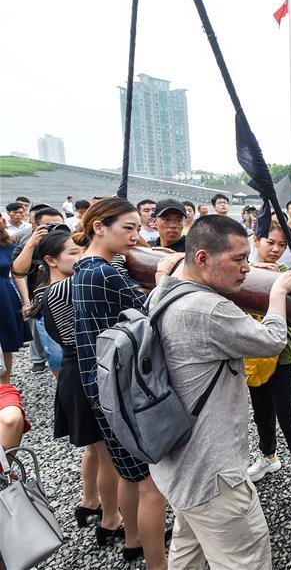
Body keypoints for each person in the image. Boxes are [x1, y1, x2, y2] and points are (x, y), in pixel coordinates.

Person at [148, 214, 291, 569]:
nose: (247, 268)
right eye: (238, 259)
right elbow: (273, 340)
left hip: (177, 466)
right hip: (214, 476)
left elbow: (164, 277)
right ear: (202, 259)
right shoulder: (209, 309)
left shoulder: (164, 290)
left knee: (187, 553)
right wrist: (276, 291)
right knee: (244, 561)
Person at [72, 198, 175, 567]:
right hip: (121, 388)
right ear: (99, 227)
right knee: (152, 486)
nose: (136, 236)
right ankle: (157, 563)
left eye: (137, 228)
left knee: (128, 474)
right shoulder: (106, 274)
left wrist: (141, 248)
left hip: (98, 384)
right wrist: (162, 275)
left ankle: (132, 540)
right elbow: (151, 313)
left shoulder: (82, 268)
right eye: (127, 229)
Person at [27, 230, 124, 534]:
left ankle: (89, 501)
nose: (82, 258)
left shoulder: (44, 291)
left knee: (95, 449)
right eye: (73, 253)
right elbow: (116, 265)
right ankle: (111, 520)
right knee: (109, 453)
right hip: (87, 374)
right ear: (50, 260)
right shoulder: (66, 289)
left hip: (73, 374)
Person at [245, 221, 291, 510]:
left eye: (281, 245)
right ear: (256, 240)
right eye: (270, 243)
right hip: (251, 353)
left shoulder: (286, 275)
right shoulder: (243, 269)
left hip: (282, 355)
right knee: (261, 412)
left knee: (288, 419)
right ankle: (268, 457)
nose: (276, 249)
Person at [11, 206, 67, 373]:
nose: (55, 230)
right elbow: (18, 271)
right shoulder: (28, 245)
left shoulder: (70, 245)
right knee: (54, 353)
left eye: (59, 225)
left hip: (67, 300)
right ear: (35, 227)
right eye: (50, 226)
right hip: (41, 302)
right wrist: (32, 243)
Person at [0, 218, 27, 378]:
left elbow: (18, 274)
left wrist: (26, 301)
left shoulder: (8, 243)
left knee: (5, 342)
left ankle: (5, 385)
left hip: (4, 296)